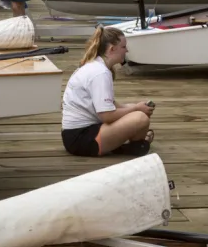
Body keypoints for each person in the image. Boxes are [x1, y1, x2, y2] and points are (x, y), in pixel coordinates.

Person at [61, 26, 156, 157]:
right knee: (140, 119)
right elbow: (106, 116)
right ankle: (136, 147)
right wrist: (136, 110)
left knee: (138, 113)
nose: (126, 50)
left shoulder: (95, 66)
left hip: (76, 135)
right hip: (82, 139)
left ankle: (131, 146)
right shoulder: (100, 73)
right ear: (112, 49)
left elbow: (113, 105)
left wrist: (137, 107)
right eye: (123, 47)